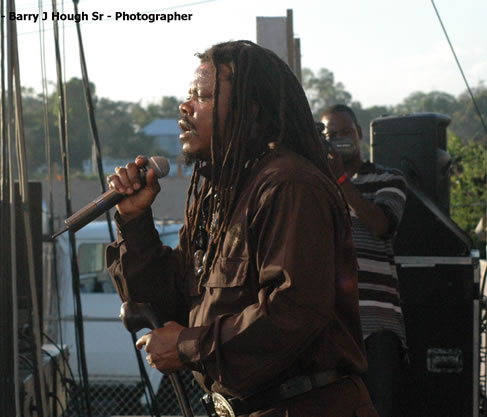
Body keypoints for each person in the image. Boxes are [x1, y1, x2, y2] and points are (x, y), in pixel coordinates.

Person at [106, 41, 377, 417]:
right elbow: (170, 306)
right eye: (188, 96)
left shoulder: (289, 184)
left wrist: (187, 345)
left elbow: (293, 312)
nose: (185, 107)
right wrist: (135, 223)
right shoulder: (221, 195)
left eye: (202, 96)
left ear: (250, 110)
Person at [320, 104, 407, 417]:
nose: (342, 139)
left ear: (359, 133)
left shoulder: (389, 178)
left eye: (346, 132)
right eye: (332, 135)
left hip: (377, 323)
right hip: (331, 324)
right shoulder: (316, 187)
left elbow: (381, 224)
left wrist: (340, 179)